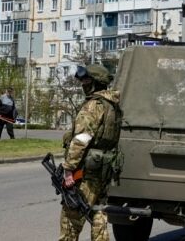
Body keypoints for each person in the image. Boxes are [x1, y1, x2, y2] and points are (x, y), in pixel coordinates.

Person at [59, 64, 121, 241]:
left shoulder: (94, 105)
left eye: (86, 80)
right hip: (103, 170)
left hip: (85, 173)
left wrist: (69, 169)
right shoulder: (113, 104)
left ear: (95, 82)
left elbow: (81, 139)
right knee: (99, 214)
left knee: (71, 218)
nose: (82, 84)